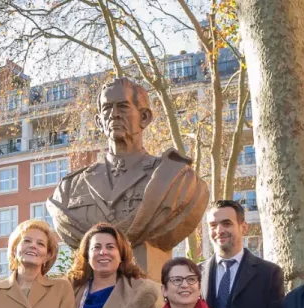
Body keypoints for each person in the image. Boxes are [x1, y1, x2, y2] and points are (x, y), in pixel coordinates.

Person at [47, 76, 208, 274]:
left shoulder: (178, 180)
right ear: (99, 122)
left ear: (145, 117)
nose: (114, 114)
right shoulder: (69, 189)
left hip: (149, 295)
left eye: (122, 107)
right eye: (107, 108)